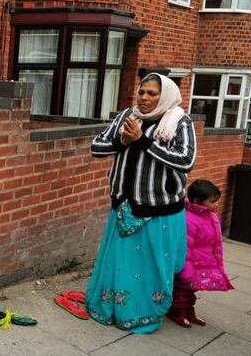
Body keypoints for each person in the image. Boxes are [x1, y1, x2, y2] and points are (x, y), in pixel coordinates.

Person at [86, 72, 196, 333]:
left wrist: (143, 141)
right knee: (121, 264)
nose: (144, 98)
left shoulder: (179, 121)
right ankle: (113, 308)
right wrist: (122, 141)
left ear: (165, 95)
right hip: (124, 205)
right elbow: (96, 147)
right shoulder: (127, 117)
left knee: (151, 267)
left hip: (159, 210)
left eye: (152, 93)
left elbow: (185, 160)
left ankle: (144, 313)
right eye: (142, 92)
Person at [167, 179, 234, 327]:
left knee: (192, 290)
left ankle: (189, 310)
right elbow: (185, 247)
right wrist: (185, 269)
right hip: (190, 264)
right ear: (197, 201)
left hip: (202, 262)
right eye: (212, 201)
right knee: (181, 290)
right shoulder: (189, 219)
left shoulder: (211, 216)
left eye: (217, 201)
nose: (216, 204)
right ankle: (177, 311)